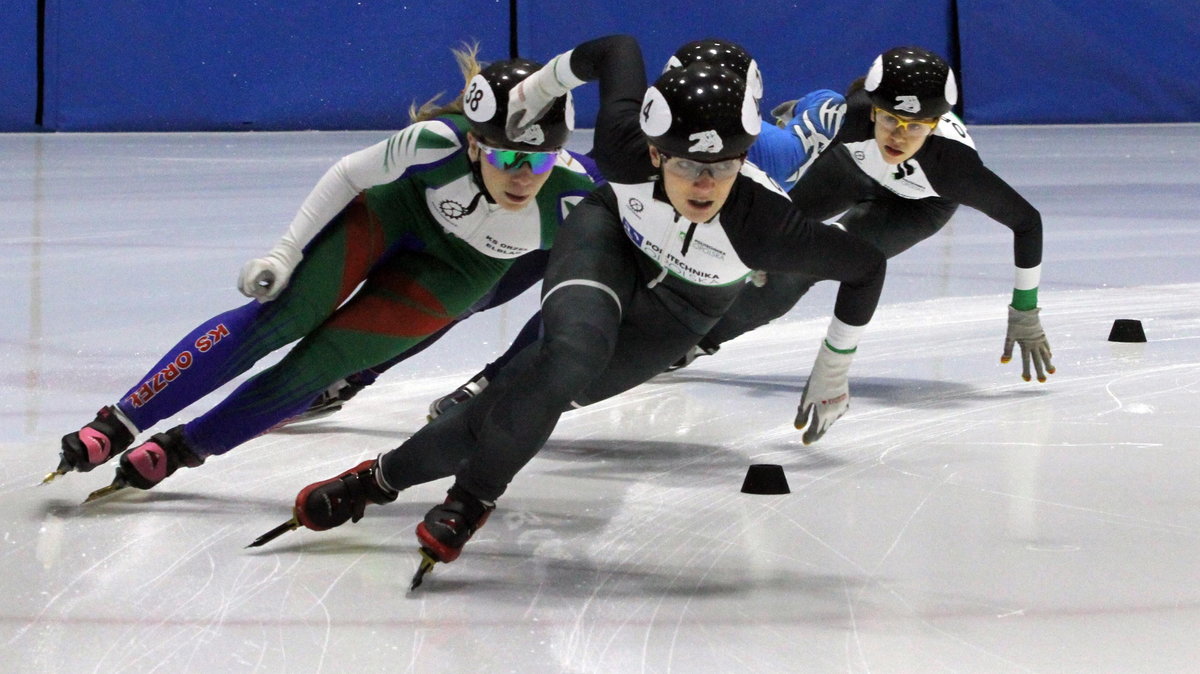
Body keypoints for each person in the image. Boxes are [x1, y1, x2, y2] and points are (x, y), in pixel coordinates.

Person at [269, 35, 886, 573]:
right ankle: (470, 500)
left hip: (689, 304)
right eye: (685, 165)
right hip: (609, 239)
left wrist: (834, 364)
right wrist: (544, 84)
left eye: (723, 166)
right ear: (650, 151)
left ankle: (376, 480)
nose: (704, 185)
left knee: (529, 389)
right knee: (568, 358)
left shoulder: (767, 226)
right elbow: (617, 48)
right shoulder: (621, 146)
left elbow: (866, 266)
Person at [48, 47, 600, 496]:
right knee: (285, 316)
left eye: (540, 160)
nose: (523, 176)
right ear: (475, 143)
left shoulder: (574, 198)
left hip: (462, 271)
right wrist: (283, 255)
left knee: (320, 366)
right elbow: (347, 174)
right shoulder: (436, 143)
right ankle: (119, 421)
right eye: (506, 158)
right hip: (394, 213)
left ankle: (182, 449)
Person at [285, 37, 844, 424]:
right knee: (477, 292)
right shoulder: (732, 141)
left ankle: (488, 383)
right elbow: (823, 116)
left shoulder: (770, 151)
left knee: (560, 315)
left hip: (649, 246)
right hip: (592, 210)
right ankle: (366, 373)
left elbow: (818, 125)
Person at [673, 46, 1054, 382]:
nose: (899, 137)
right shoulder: (851, 116)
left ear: (935, 125)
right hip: (854, 167)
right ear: (872, 111)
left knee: (799, 268)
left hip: (916, 206)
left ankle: (694, 343)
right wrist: (805, 129)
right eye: (890, 119)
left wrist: (1025, 308)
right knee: (760, 220)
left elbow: (1027, 222)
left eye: (917, 127)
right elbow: (818, 110)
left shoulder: (952, 166)